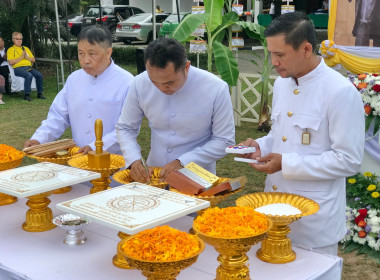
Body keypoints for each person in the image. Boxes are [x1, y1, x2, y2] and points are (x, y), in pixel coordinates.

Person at [240, 12, 364, 256]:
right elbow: (281, 134)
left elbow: (349, 160)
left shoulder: (339, 92)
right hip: (274, 208)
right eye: (271, 53)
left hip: (315, 221)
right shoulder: (282, 83)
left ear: (306, 49)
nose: (273, 62)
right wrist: (261, 147)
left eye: (280, 54)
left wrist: (285, 163)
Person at [116, 37, 235, 183]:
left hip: (197, 177)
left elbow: (224, 140)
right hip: (154, 174)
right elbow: (125, 127)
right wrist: (133, 160)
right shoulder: (139, 83)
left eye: (169, 82)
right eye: (154, 81)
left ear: (186, 67)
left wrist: (184, 162)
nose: (161, 88)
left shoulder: (215, 88)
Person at [24, 25, 134, 155]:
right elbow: (58, 115)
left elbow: (128, 128)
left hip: (114, 162)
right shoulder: (74, 79)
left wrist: (96, 146)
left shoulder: (127, 82)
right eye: (81, 53)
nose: (85, 60)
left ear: (108, 52)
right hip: (79, 160)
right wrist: (39, 138)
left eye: (92, 54)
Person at [7, 32, 45, 101]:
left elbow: (33, 60)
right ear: (13, 40)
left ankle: (40, 93)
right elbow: (11, 62)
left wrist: (26, 57)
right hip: (18, 69)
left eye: (21, 39)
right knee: (28, 75)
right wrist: (22, 57)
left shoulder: (25, 48)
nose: (19, 40)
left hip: (28, 67)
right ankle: (26, 95)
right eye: (17, 39)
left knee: (39, 75)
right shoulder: (10, 50)